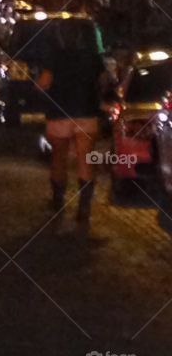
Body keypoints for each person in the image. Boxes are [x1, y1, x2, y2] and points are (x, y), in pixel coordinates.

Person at [37, 43, 105, 226]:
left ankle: (58, 200)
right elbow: (104, 81)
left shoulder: (54, 55)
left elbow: (43, 83)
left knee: (59, 157)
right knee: (86, 160)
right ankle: (84, 208)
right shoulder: (93, 55)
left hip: (60, 113)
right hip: (87, 112)